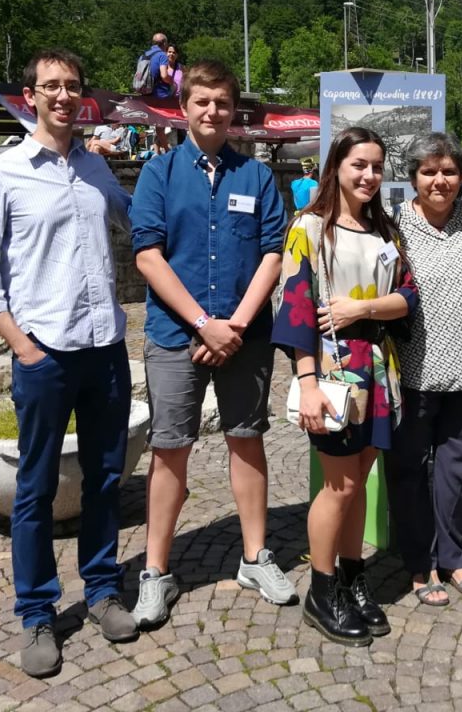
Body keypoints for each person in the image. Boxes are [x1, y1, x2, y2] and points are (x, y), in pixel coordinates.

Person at [0, 48, 135, 678]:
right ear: (29, 95)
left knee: (106, 479)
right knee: (33, 489)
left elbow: (136, 224)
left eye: (72, 87)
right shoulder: (0, 174)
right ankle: (37, 613)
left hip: (105, 350)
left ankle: (104, 589)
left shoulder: (95, 170)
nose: (63, 96)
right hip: (45, 353)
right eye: (50, 86)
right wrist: (24, 347)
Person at [129, 59, 296, 631]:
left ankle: (255, 557)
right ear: (184, 108)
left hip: (245, 337)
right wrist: (205, 323)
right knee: (170, 448)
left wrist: (236, 327)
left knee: (247, 441)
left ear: (233, 111)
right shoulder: (159, 173)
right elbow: (148, 255)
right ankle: (156, 572)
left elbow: (273, 254)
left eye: (222, 103)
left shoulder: (255, 177)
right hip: (177, 335)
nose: (212, 112)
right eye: (202, 102)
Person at [273, 127, 418, 646]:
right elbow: (294, 311)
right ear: (336, 166)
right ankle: (322, 588)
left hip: (379, 370)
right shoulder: (309, 228)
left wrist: (364, 307)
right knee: (339, 486)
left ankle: (354, 579)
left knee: (358, 481)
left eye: (377, 166)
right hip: (334, 372)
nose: (369, 176)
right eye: (359, 164)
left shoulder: (386, 229)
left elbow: (408, 297)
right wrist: (307, 382)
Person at [386, 132, 462, 608]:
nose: (440, 180)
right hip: (415, 371)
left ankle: (452, 556)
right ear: (413, 176)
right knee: (409, 471)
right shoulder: (394, 228)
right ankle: (419, 562)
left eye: (449, 171)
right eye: (429, 171)